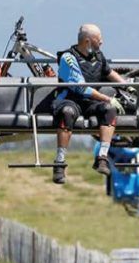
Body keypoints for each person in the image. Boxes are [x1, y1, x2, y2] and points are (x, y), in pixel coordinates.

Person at [51, 24, 128, 184]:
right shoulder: (68, 58)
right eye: (99, 39)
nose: (102, 42)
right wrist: (107, 98)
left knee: (109, 110)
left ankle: (102, 158)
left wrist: (127, 85)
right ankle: (59, 162)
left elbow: (109, 73)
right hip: (70, 100)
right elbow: (81, 88)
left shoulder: (98, 56)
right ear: (87, 41)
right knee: (66, 112)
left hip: (91, 102)